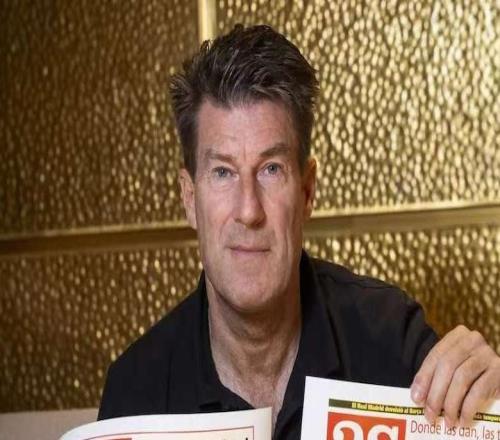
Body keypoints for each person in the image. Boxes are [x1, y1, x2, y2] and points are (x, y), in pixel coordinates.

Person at [98, 24, 500, 439]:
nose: (249, 211)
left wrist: (493, 404)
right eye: (223, 172)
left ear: (307, 191)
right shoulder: (135, 394)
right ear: (189, 198)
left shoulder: (391, 338)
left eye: (271, 169)